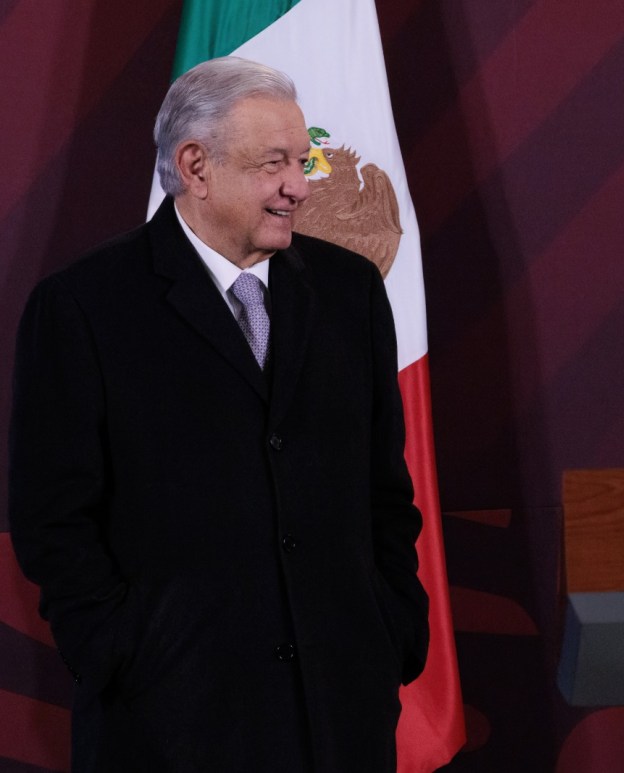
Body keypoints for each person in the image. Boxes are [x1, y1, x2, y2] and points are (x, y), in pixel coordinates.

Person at [8, 56, 429, 772]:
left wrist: (391, 630)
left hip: (340, 711)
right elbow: (52, 519)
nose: (300, 186)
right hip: (170, 721)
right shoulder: (83, 307)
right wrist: (123, 651)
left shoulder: (350, 291)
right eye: (275, 164)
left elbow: (384, 491)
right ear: (195, 167)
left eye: (302, 160)